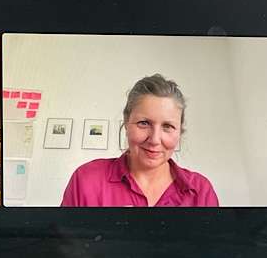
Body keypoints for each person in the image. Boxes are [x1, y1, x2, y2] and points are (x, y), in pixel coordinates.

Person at [61, 74, 218, 207]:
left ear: (179, 131)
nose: (155, 140)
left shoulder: (201, 192)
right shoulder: (86, 180)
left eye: (168, 126)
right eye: (144, 123)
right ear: (126, 122)